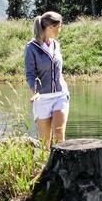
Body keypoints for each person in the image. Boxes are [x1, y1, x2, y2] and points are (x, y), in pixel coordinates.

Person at [25, 11, 69, 151]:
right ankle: (46, 170)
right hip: (42, 98)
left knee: (58, 136)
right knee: (45, 143)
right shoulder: (31, 48)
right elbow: (30, 74)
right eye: (59, 26)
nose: (60, 30)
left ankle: (62, 170)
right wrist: (35, 91)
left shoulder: (56, 45)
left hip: (60, 95)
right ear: (50, 27)